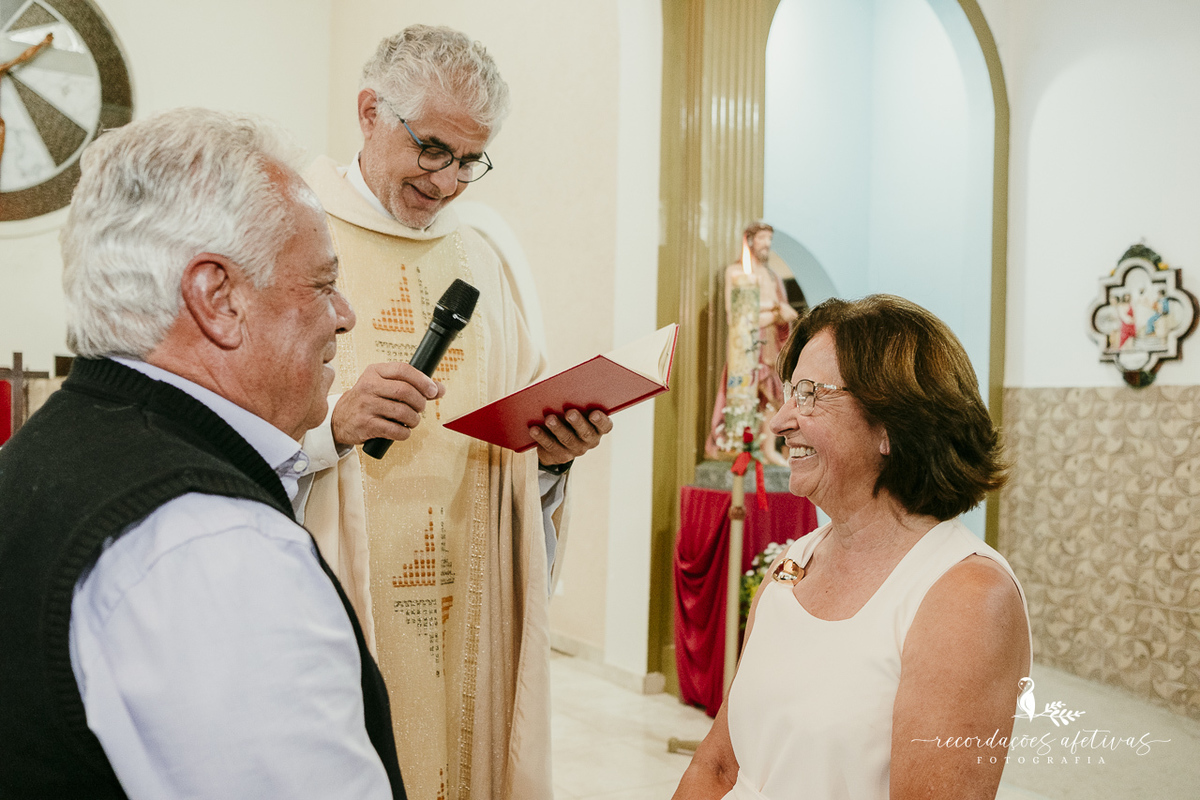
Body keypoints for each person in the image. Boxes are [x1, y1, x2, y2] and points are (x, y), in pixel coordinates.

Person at [0, 108, 406, 799]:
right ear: (218, 298)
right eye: (319, 283)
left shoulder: (53, 445)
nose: (344, 314)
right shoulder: (212, 547)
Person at [300, 24, 611, 800]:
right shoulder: (291, 236)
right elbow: (224, 425)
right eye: (432, 148)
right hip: (336, 596)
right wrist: (333, 425)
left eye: (471, 159)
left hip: (464, 603)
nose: (448, 182)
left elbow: (518, 435)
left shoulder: (483, 261)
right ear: (370, 111)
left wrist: (554, 456)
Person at [675, 295, 1031, 800]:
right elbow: (719, 766)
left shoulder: (967, 597)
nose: (778, 422)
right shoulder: (791, 563)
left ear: (890, 425)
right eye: (786, 394)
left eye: (808, 394)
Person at [705, 221, 798, 465]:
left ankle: (767, 449)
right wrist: (773, 312)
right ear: (750, 240)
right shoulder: (735, 272)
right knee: (746, 390)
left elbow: (786, 309)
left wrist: (776, 314)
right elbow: (736, 311)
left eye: (769, 239)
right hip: (746, 342)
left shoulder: (771, 275)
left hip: (769, 340)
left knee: (771, 395)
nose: (767, 244)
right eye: (762, 239)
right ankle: (740, 443)